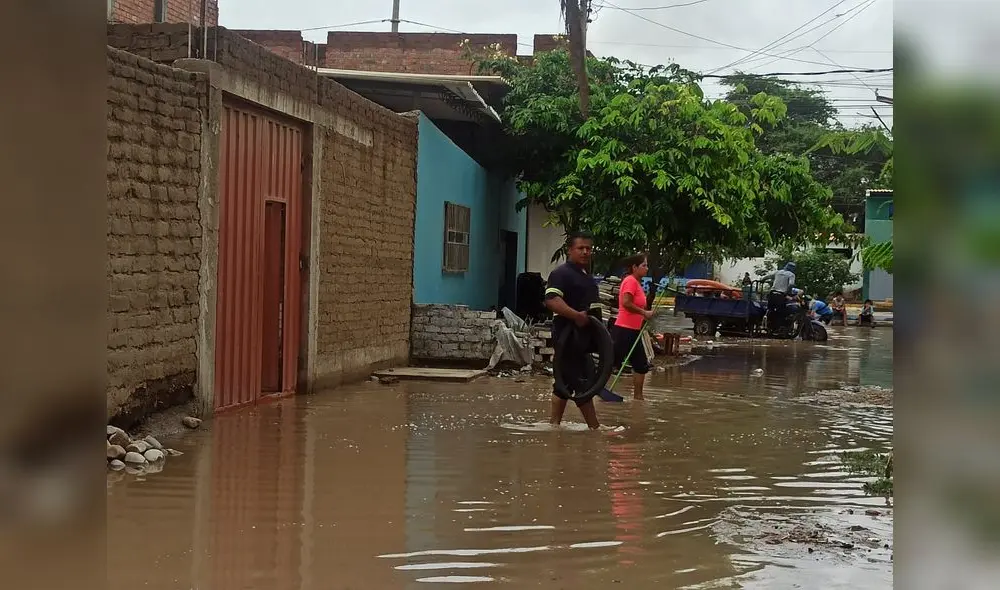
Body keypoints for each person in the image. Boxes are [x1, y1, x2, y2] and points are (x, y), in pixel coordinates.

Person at [544, 231, 604, 429]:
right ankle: (595, 429)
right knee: (582, 385)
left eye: (589, 249)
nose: (586, 252)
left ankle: (554, 427)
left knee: (564, 384)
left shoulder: (586, 276)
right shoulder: (561, 274)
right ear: (570, 250)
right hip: (567, 340)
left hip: (583, 341)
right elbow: (552, 300)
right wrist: (575, 315)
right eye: (581, 248)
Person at [612, 254, 656, 401]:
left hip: (634, 330)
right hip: (624, 329)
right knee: (612, 362)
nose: (647, 268)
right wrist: (644, 312)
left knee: (641, 364)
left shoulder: (637, 283)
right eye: (644, 265)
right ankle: (596, 391)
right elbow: (626, 303)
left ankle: (638, 398)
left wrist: (645, 315)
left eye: (647, 265)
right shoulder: (630, 281)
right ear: (634, 267)